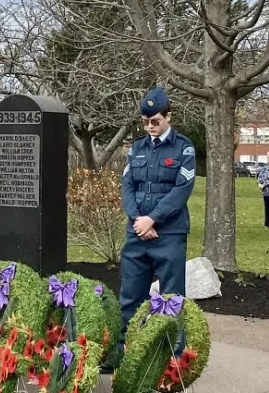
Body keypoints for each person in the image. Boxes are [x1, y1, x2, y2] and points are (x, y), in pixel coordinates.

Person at [118, 87, 195, 362]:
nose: (150, 126)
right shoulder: (137, 148)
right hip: (137, 231)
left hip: (169, 233)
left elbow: (182, 189)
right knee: (130, 295)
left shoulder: (183, 147)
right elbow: (127, 186)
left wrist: (153, 219)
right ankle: (125, 353)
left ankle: (170, 359)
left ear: (168, 117)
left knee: (171, 298)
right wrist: (138, 219)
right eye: (146, 122)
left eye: (155, 121)